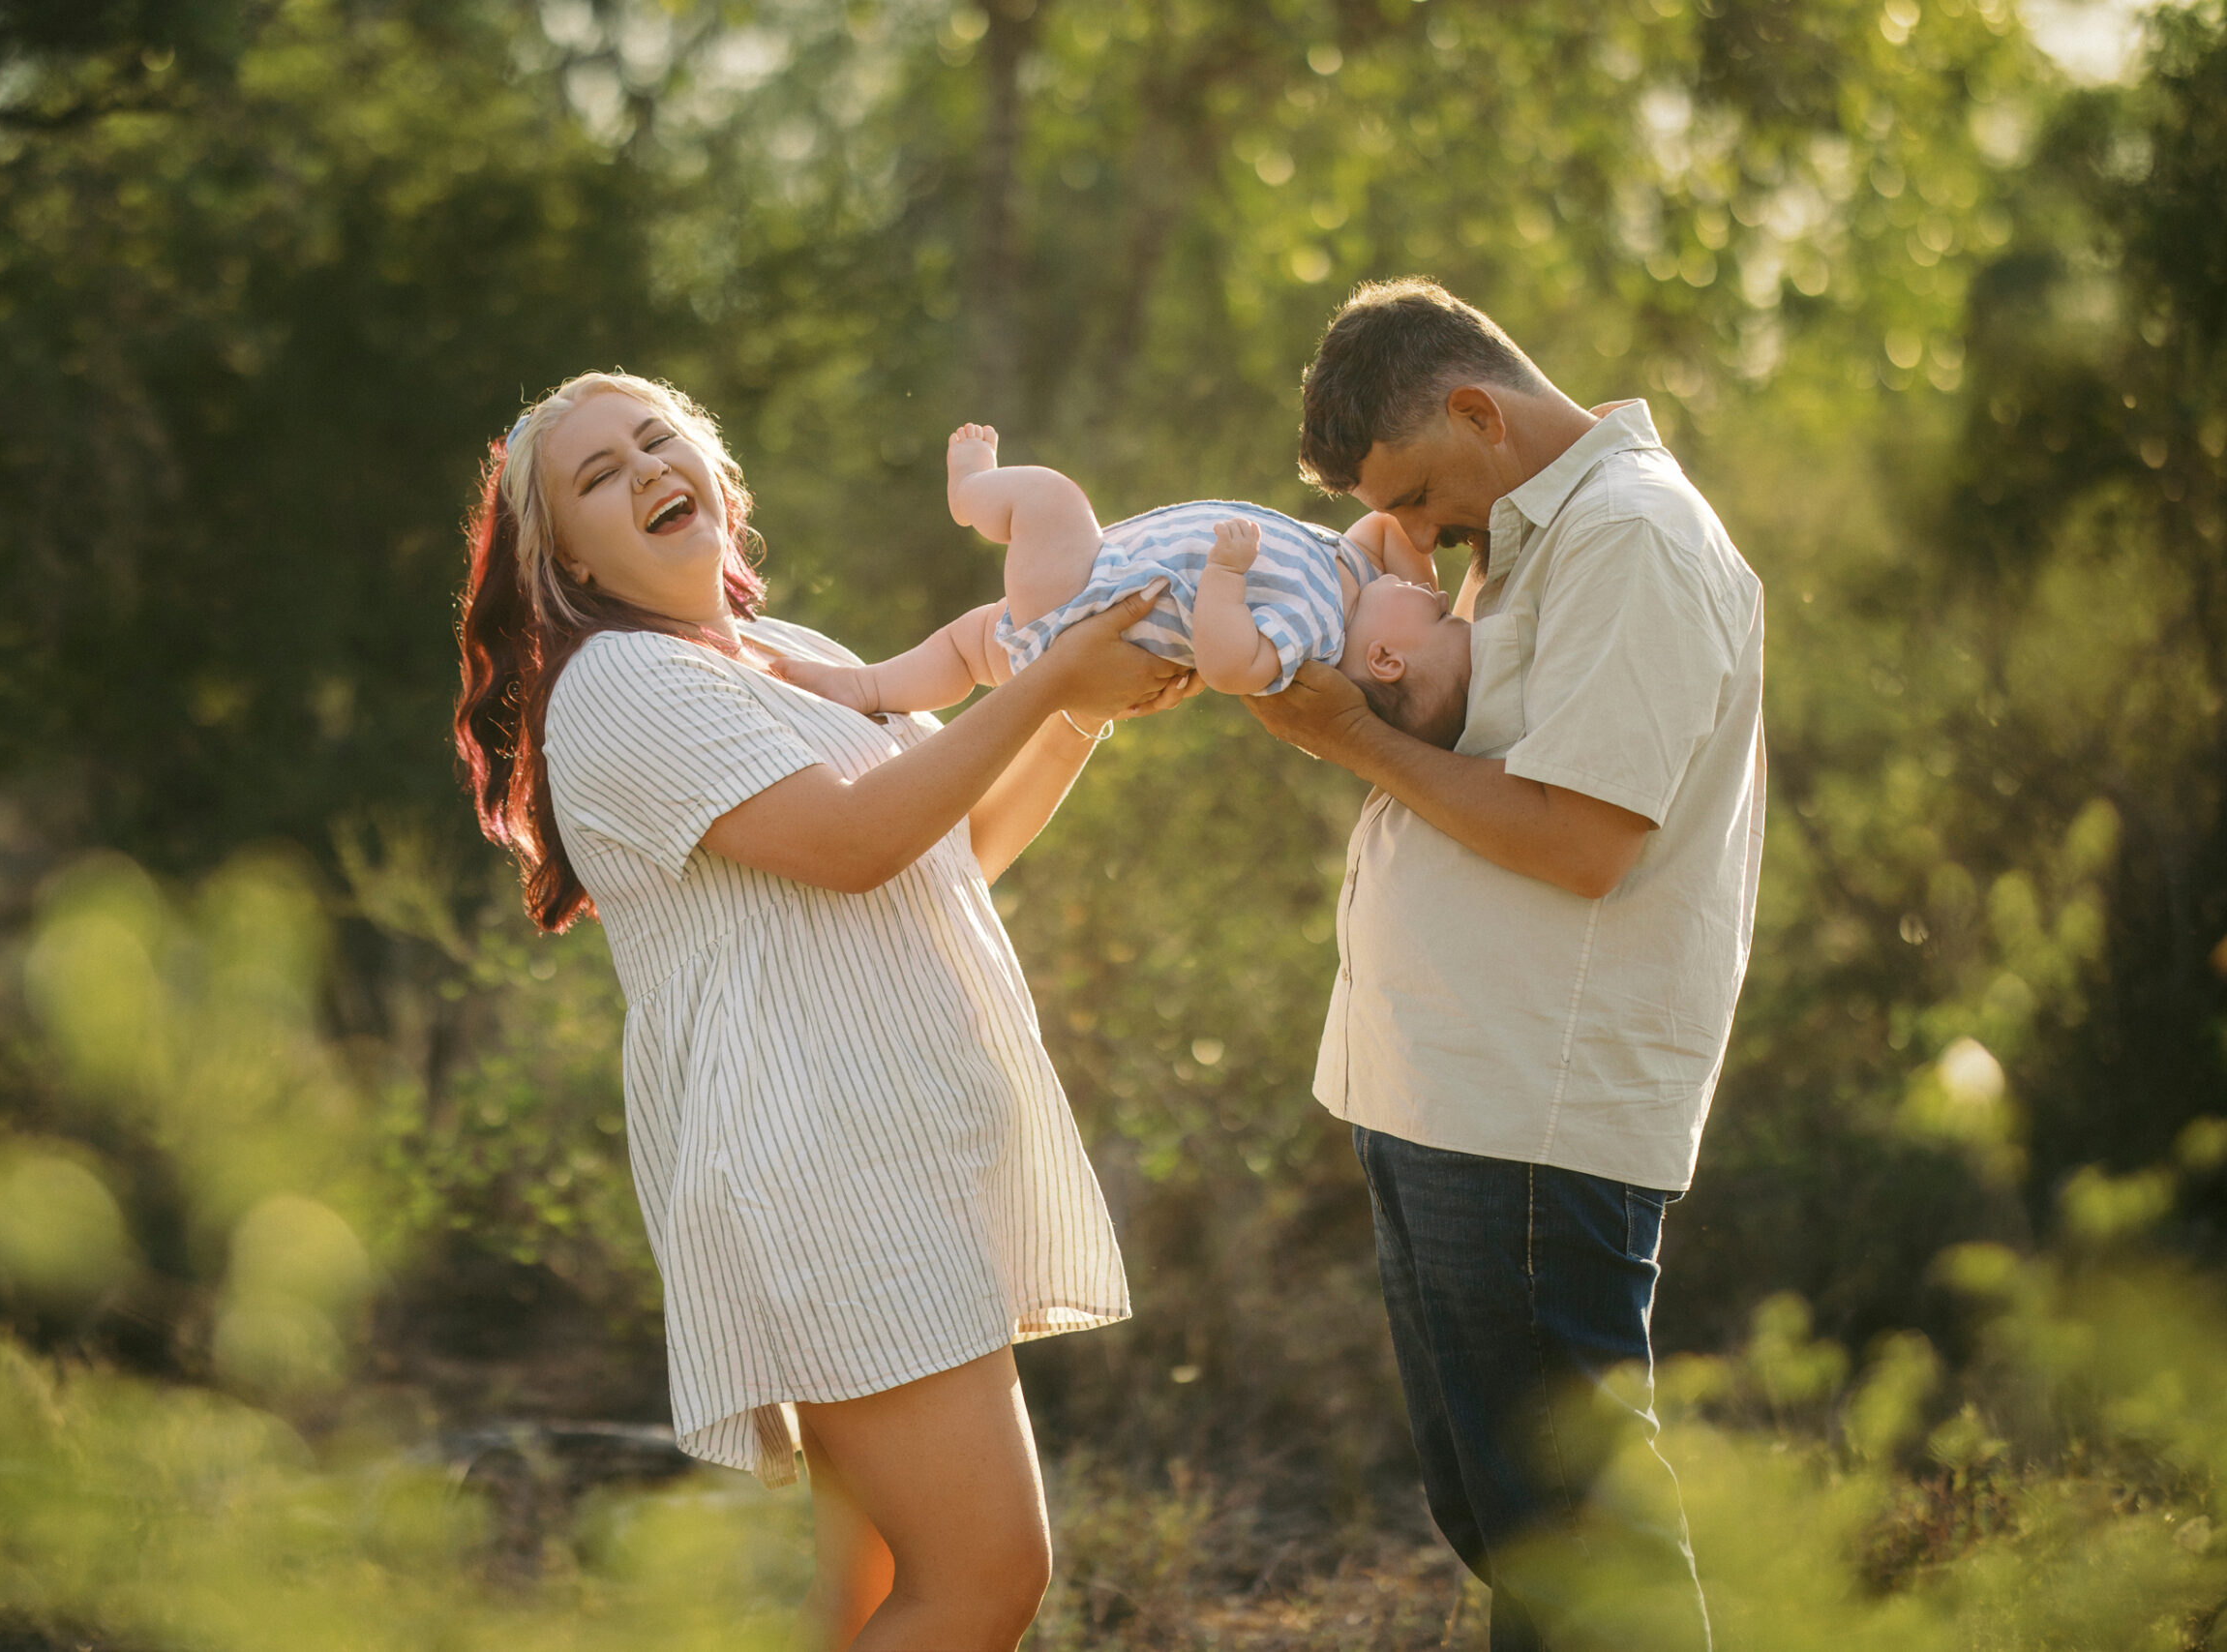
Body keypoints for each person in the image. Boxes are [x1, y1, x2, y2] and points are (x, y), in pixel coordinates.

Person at [451, 371, 1195, 1652]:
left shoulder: (802, 658)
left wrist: (1075, 710)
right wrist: (1049, 670)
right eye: (595, 476)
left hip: (895, 1142)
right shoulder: (620, 684)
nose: (639, 469)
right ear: (563, 556)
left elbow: (944, 854)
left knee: (871, 1592)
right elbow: (855, 842)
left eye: (653, 439)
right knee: (984, 1578)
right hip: (820, 1167)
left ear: (709, 466)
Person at [1247, 280, 1765, 1652]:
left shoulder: (1634, 537)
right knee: (1507, 1521)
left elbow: (1587, 842)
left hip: (1535, 1105)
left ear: (1482, 407)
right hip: (1448, 1087)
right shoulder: (1529, 535)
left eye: (1418, 493)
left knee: (1582, 1540)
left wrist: (1348, 739)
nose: (1415, 535)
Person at [778, 424, 1473, 748]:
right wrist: (1422, 581)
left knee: (1050, 499)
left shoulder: (1315, 631)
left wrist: (1226, 579)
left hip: (1088, 590)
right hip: (1094, 593)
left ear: (1383, 659)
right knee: (969, 649)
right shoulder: (1354, 575)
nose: (1441, 599)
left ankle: (970, 493)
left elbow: (1235, 668)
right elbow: (1387, 526)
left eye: (1440, 622)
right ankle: (866, 688)